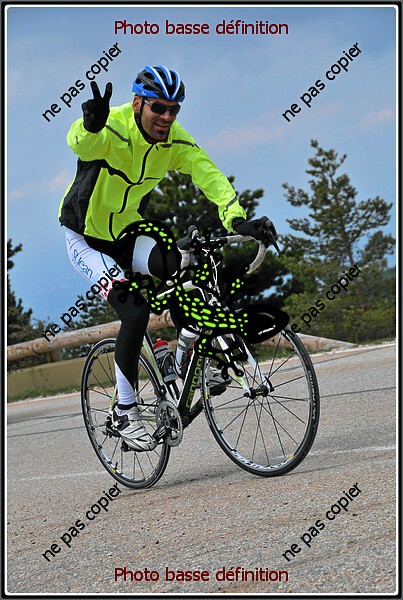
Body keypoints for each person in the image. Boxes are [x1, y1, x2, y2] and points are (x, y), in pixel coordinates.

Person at [59, 65, 277, 452]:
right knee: (135, 312)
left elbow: (208, 173)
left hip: (126, 233)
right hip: (85, 239)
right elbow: (82, 145)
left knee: (185, 270)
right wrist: (89, 125)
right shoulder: (114, 128)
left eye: (173, 109)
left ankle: (188, 359)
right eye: (158, 107)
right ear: (138, 103)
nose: (166, 117)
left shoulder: (174, 141)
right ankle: (124, 411)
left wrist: (236, 219)